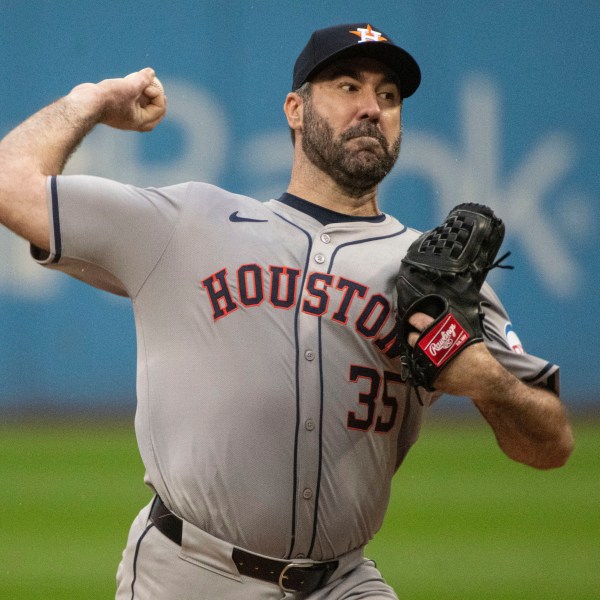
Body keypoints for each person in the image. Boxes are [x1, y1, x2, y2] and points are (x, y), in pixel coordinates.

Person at [0, 22, 573, 600]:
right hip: (185, 575)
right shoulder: (187, 222)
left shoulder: (431, 276)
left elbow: (551, 445)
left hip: (341, 583)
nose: (372, 108)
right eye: (348, 86)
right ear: (295, 109)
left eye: (389, 96)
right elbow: (8, 184)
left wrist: (490, 384)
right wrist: (89, 103)